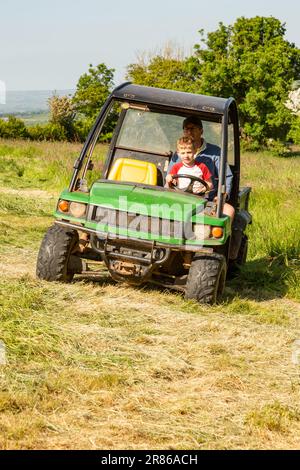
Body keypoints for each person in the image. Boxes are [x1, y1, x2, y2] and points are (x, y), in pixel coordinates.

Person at [168, 116, 235, 221]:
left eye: (192, 128)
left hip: (207, 199)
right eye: (186, 129)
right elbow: (169, 177)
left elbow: (227, 176)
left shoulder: (215, 152)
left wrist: (221, 196)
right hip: (180, 196)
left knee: (229, 210)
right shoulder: (179, 153)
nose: (189, 132)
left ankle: (220, 236)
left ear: (201, 131)